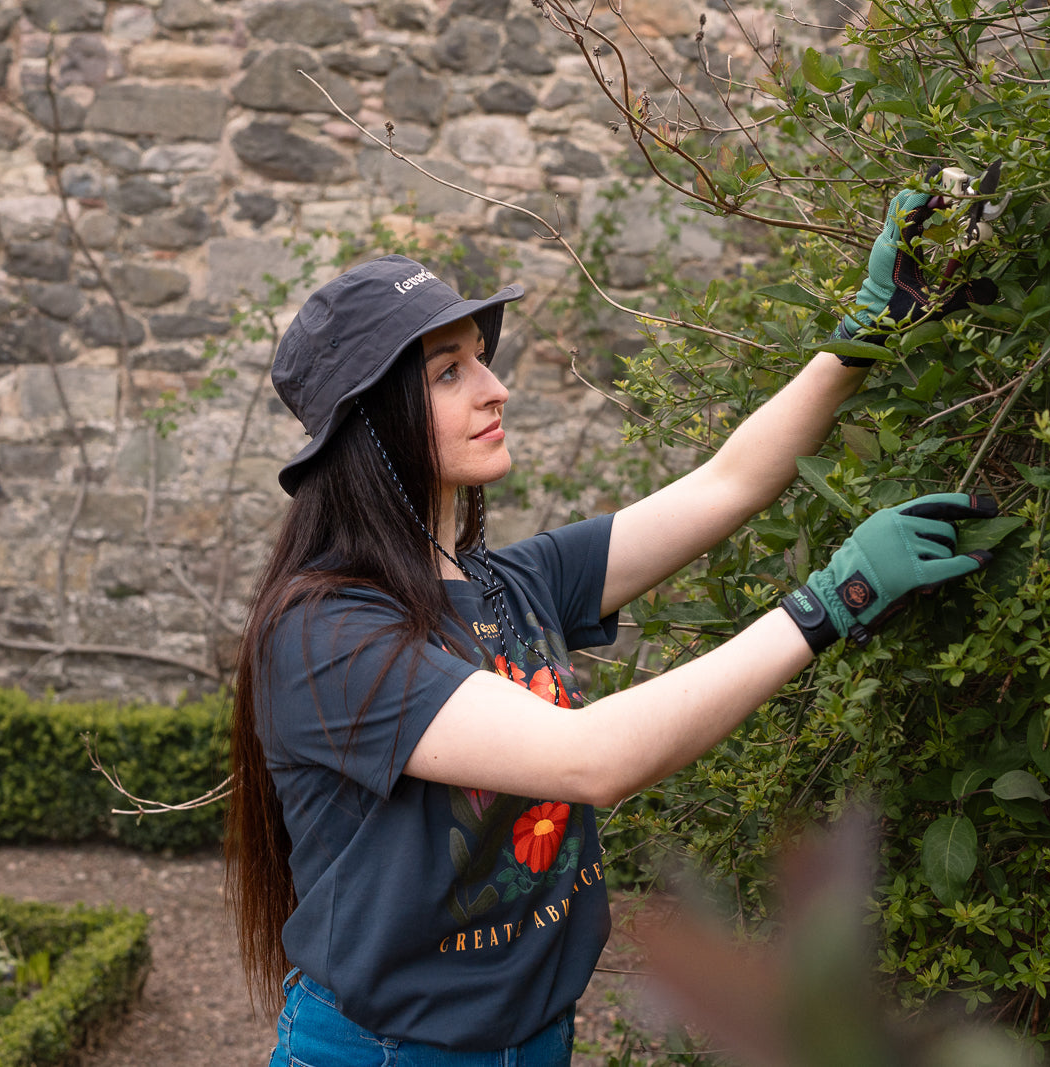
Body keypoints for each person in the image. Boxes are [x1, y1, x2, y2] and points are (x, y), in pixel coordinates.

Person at [226, 186, 998, 1066]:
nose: (496, 387)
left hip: (535, 1045)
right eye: (450, 372)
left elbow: (727, 485)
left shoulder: (511, 582)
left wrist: (867, 331)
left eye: (481, 359)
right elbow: (592, 758)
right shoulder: (324, 634)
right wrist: (832, 602)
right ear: (371, 426)